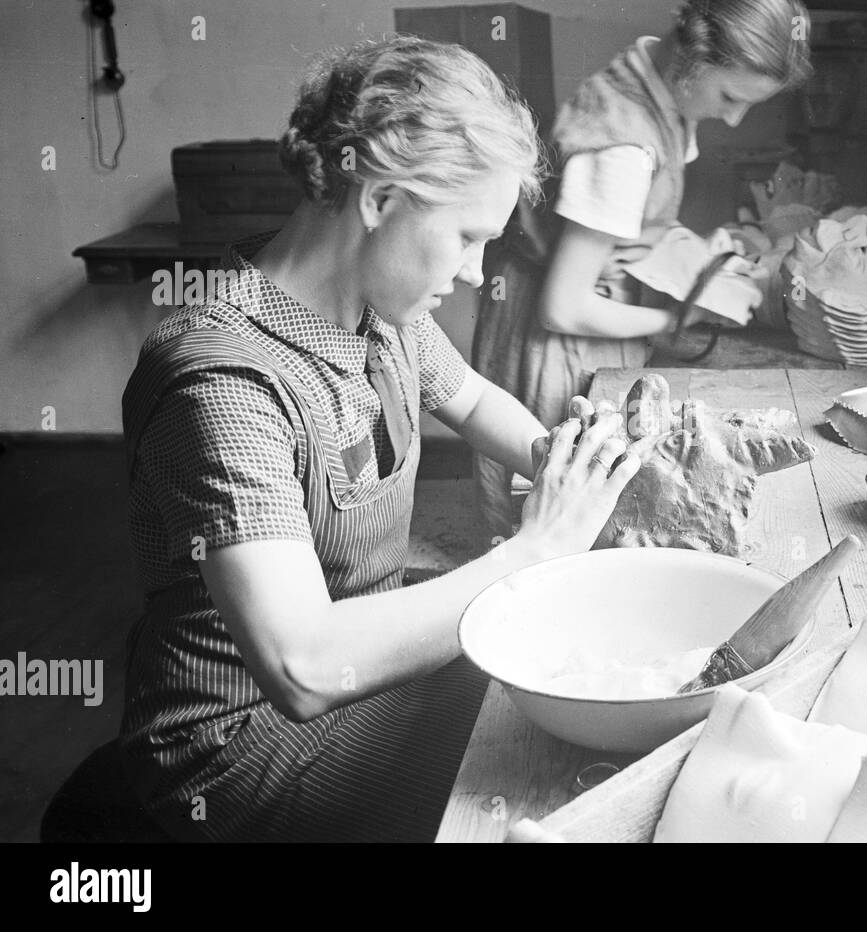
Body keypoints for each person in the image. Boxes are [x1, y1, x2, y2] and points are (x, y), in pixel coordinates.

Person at [118, 36, 639, 842]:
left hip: (362, 678)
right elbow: (304, 664)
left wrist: (569, 460)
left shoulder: (381, 313)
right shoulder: (219, 380)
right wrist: (534, 551)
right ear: (380, 201)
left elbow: (470, 400)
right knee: (556, 741)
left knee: (579, 670)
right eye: (467, 236)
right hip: (240, 749)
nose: (474, 271)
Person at [472, 0, 812, 543]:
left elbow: (631, 224)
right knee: (552, 517)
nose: (733, 119)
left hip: (588, 306)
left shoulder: (654, 74)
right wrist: (665, 322)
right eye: (729, 96)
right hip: (556, 336)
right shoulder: (623, 144)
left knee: (606, 500)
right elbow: (564, 305)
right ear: (695, 59)